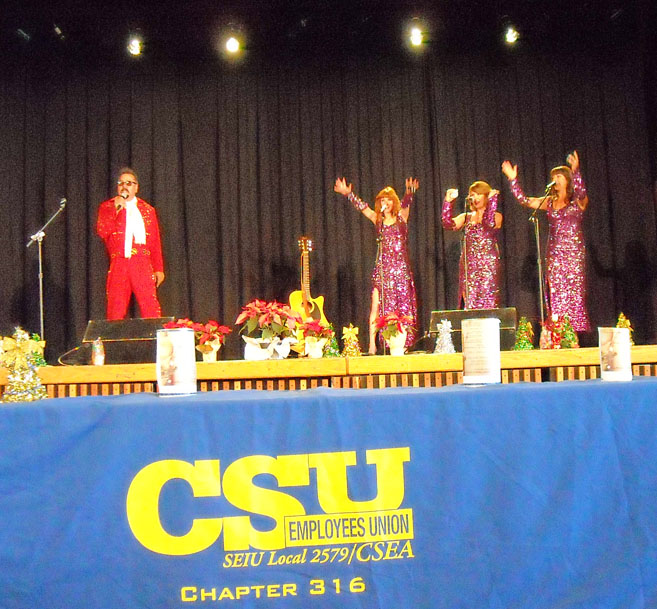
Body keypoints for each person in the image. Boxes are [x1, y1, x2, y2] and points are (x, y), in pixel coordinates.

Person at [501, 151, 590, 332]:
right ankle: (557, 333)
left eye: (559, 176)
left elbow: (581, 194)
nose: (555, 180)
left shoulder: (577, 202)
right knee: (557, 295)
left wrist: (576, 172)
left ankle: (574, 334)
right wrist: (513, 180)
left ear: (568, 180)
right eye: (554, 177)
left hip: (573, 255)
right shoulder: (549, 202)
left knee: (574, 295)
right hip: (555, 255)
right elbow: (525, 201)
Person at [334, 176, 419, 354]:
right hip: (383, 270)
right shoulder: (378, 220)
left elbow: (406, 203)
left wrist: (409, 192)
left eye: (388, 200)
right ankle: (372, 344)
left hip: (400, 271)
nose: (385, 203)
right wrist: (348, 194)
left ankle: (402, 344)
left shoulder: (401, 218)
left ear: (393, 202)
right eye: (382, 200)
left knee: (403, 306)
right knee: (376, 305)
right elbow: (363, 208)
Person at [96, 168, 165, 320]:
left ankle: (154, 335)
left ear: (136, 187)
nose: (124, 187)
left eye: (129, 183)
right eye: (121, 183)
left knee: (150, 308)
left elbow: (155, 241)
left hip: (142, 262)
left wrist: (158, 268)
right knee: (115, 309)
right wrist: (116, 210)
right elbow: (102, 231)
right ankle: (115, 336)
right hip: (119, 262)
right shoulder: (108, 207)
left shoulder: (148, 210)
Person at [441, 181, 503, 309]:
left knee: (488, 302)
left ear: (486, 196)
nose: (475, 198)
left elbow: (489, 223)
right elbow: (448, 224)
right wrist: (448, 202)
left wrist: (492, 203)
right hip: (469, 266)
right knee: (471, 303)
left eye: (479, 194)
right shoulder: (466, 217)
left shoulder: (497, 216)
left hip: (488, 265)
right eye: (473, 195)